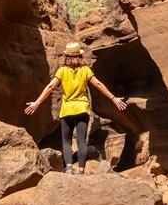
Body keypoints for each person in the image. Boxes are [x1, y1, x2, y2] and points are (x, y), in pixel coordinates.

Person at [25, 42, 127, 174]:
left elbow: (50, 87)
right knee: (81, 142)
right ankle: (81, 171)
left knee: (66, 141)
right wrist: (113, 98)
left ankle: (68, 168)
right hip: (82, 109)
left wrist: (37, 103)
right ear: (79, 55)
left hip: (67, 109)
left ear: (67, 56)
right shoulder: (85, 70)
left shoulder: (62, 71)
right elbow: (98, 84)